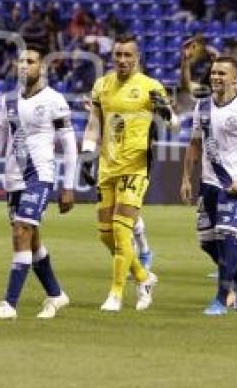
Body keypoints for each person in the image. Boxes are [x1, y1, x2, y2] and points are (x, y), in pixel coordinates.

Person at [0, 45, 77, 319]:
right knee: (31, 241)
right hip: (13, 178)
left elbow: (68, 144)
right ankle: (56, 295)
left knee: (21, 231)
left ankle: (10, 304)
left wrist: (68, 185)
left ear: (42, 67)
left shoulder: (54, 100)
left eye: (30, 61)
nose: (23, 66)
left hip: (39, 176)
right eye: (20, 61)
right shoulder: (7, 101)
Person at [82, 35, 178, 312]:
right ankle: (144, 277)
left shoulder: (150, 87)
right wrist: (88, 153)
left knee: (122, 231)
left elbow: (174, 124)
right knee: (105, 235)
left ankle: (116, 293)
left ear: (137, 57)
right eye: (118, 55)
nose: (122, 60)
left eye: (128, 55)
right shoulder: (102, 85)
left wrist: (166, 113)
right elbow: (93, 124)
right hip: (107, 165)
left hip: (136, 167)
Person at [180, 57, 237, 316]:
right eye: (213, 72)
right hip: (208, 183)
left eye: (222, 73)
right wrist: (186, 177)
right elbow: (195, 144)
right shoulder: (202, 107)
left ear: (234, 78)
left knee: (228, 240)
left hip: (233, 185)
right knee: (207, 243)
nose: (216, 77)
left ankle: (221, 299)